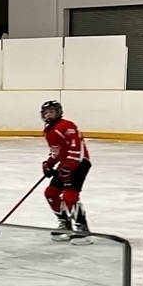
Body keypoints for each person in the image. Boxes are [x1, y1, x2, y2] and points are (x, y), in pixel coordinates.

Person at [40, 99, 92, 241]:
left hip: (80, 163)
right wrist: (49, 163)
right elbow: (56, 151)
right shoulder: (48, 130)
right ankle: (65, 223)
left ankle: (82, 228)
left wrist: (69, 166)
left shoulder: (66, 125)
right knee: (50, 193)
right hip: (65, 165)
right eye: (46, 112)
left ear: (59, 112)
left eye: (52, 112)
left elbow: (76, 147)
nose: (49, 115)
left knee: (69, 196)